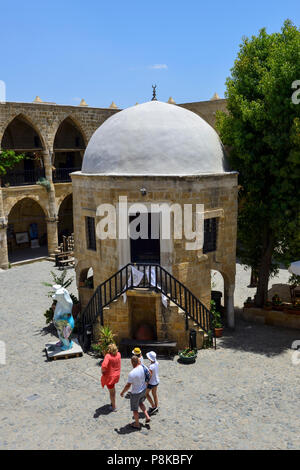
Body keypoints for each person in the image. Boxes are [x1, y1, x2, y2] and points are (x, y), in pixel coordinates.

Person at [120, 355, 151, 429]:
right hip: (143, 390)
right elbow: (149, 374)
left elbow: (128, 385)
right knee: (141, 403)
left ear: (132, 362)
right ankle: (147, 416)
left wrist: (122, 392)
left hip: (136, 393)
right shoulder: (143, 367)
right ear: (138, 361)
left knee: (135, 409)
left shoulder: (132, 373)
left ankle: (137, 424)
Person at [101, 343, 121, 412]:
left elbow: (104, 366)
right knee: (113, 391)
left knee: (111, 393)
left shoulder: (108, 356)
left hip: (109, 378)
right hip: (116, 376)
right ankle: (112, 403)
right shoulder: (118, 354)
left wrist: (103, 372)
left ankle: (114, 406)